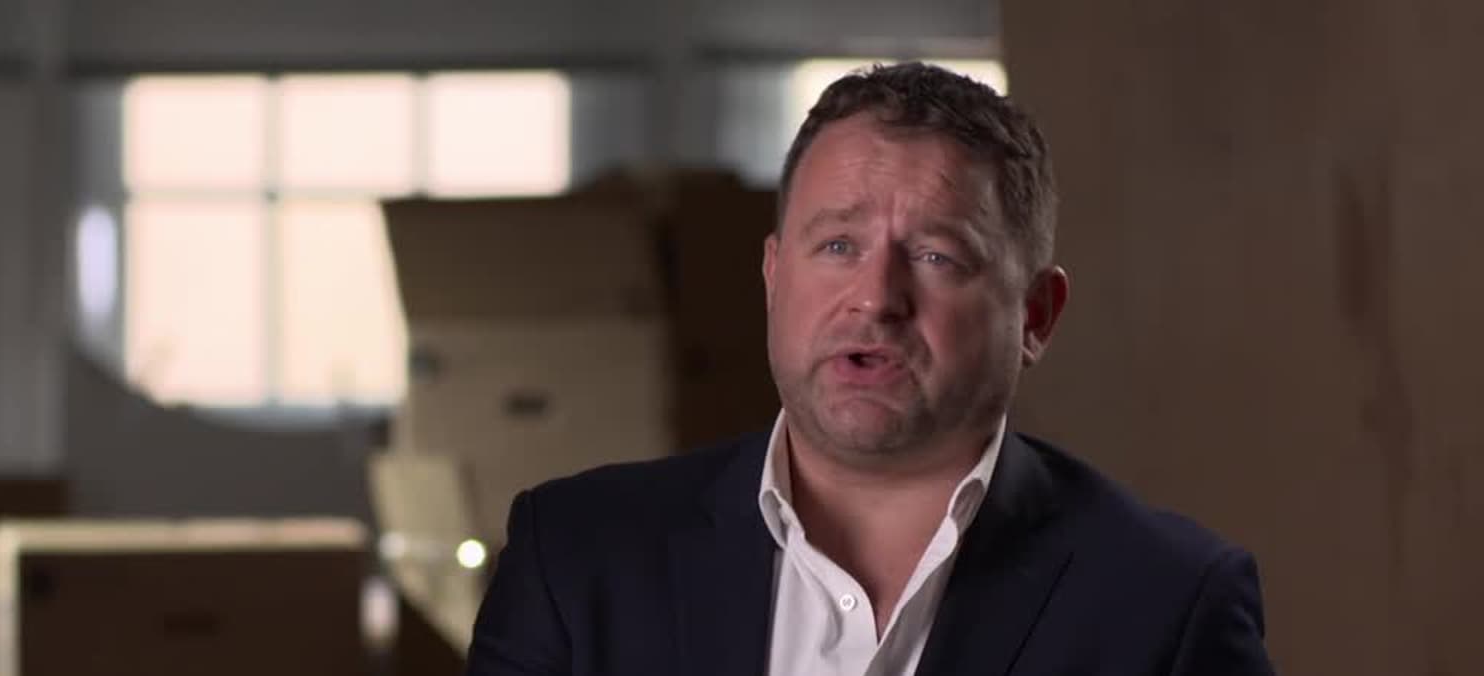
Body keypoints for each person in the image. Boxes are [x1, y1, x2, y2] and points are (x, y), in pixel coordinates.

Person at [463, 62, 1274, 676]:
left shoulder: (1167, 602)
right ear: (773, 277)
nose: (876, 297)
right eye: (838, 246)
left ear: (1035, 315)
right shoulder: (574, 559)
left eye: (936, 256)